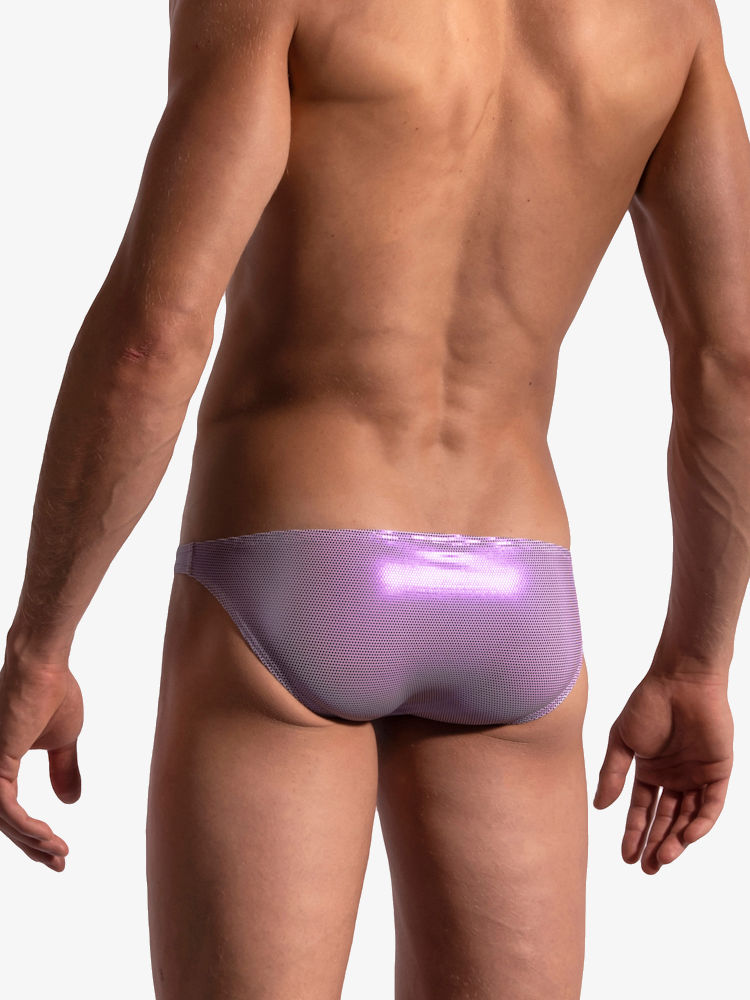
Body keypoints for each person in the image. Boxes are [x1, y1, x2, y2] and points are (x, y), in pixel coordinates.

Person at [1, 0, 747, 996]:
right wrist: (697, 662)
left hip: (295, 564)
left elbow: (154, 337)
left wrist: (40, 644)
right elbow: (733, 366)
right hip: (516, 597)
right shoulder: (673, 20)